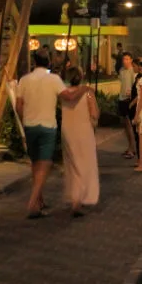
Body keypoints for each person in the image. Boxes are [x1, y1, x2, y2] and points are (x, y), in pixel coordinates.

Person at [16, 51, 90, 219]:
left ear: (34, 62)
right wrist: (84, 89)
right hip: (47, 126)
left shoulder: (25, 80)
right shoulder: (54, 79)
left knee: (36, 164)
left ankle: (38, 201)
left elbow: (19, 105)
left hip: (30, 125)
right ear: (48, 61)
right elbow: (69, 97)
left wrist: (24, 120)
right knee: (45, 164)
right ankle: (32, 202)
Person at [60, 66, 100, 216]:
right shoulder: (87, 93)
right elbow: (95, 113)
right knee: (84, 164)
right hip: (83, 132)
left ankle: (73, 195)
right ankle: (79, 199)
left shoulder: (63, 93)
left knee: (71, 164)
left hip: (67, 131)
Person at [118, 52, 138, 159]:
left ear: (131, 60)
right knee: (125, 124)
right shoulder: (121, 71)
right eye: (124, 59)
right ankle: (130, 146)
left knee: (129, 125)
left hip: (128, 100)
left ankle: (132, 148)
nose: (125, 61)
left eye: (127, 59)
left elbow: (135, 86)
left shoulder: (132, 71)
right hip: (121, 98)